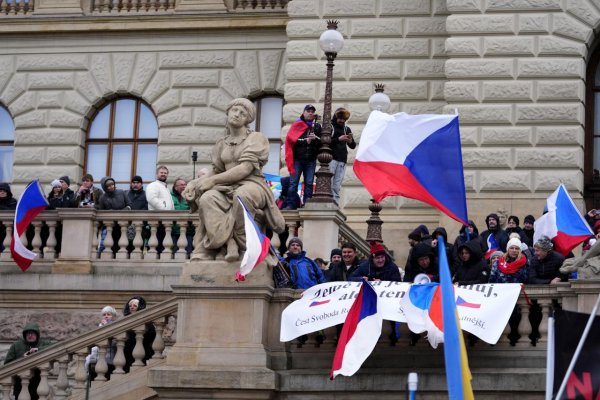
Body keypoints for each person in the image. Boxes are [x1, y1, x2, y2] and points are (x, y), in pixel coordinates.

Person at [183, 98, 285, 261]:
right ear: (228, 112)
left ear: (247, 119)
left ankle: (241, 242)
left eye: (242, 113)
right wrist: (194, 183)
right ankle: (225, 243)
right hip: (226, 186)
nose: (237, 115)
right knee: (207, 198)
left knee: (241, 196)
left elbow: (245, 169)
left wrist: (214, 181)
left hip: (253, 184)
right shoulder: (221, 144)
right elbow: (216, 170)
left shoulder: (256, 138)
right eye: (235, 110)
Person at [283, 104, 322, 209]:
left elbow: (323, 142)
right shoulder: (297, 124)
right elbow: (292, 140)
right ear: (304, 112)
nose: (310, 113)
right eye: (308, 111)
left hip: (311, 160)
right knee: (293, 183)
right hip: (297, 159)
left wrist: (316, 138)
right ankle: (290, 204)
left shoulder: (317, 126)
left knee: (309, 183)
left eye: (312, 111)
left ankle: (307, 204)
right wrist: (306, 141)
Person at [5, 322, 53, 400]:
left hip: (38, 383)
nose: (30, 335)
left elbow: (54, 347)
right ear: (24, 335)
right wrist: (22, 358)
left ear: (37, 335)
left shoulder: (43, 343)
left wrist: (38, 350)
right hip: (20, 383)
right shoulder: (16, 345)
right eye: (28, 333)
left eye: (32, 333)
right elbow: (7, 364)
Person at [122, 296, 155, 373]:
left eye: (134, 306)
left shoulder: (147, 321)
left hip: (142, 350)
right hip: (127, 351)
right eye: (130, 306)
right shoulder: (125, 320)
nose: (132, 308)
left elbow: (152, 334)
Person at [329, 107, 355, 204]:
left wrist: (350, 141)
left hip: (342, 161)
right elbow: (325, 142)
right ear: (336, 117)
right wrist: (338, 139)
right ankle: (329, 203)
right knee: (329, 183)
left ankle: (335, 204)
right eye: (340, 118)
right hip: (331, 159)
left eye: (344, 119)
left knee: (337, 185)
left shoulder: (346, 129)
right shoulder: (330, 127)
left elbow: (353, 146)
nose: (342, 121)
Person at [85, 306, 118, 380]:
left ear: (113, 316)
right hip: (95, 359)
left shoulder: (115, 327)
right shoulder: (100, 326)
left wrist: (106, 327)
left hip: (108, 359)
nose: (106, 316)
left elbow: (113, 342)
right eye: (104, 314)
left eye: (108, 314)